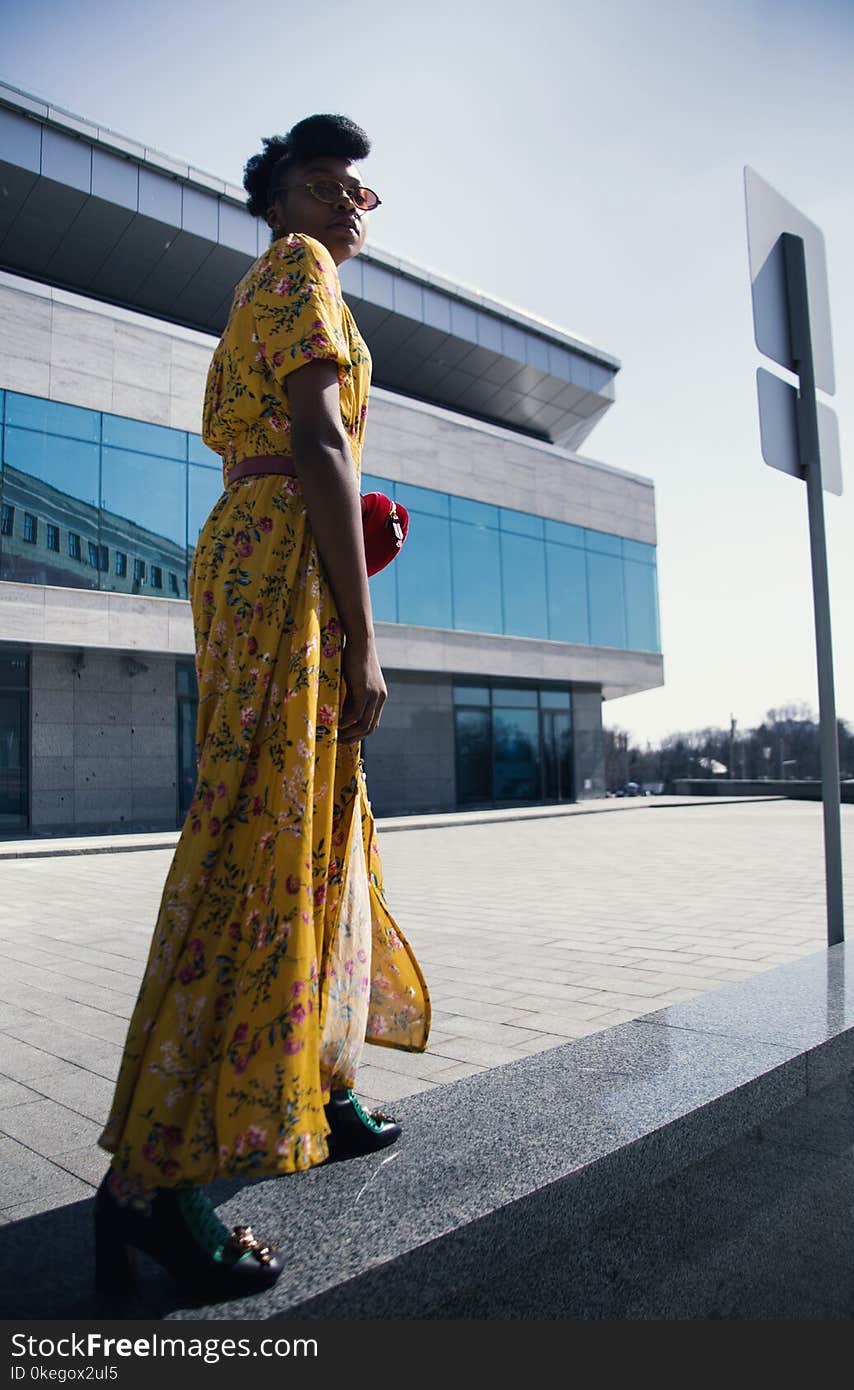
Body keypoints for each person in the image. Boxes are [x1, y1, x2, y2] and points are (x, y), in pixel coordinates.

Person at [94, 114, 431, 1299]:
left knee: (320, 817)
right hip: (280, 560)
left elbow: (311, 455)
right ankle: (150, 1178)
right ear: (278, 196)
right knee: (258, 835)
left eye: (360, 190)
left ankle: (322, 1083)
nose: (349, 201)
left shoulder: (288, 279)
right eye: (325, 181)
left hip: (273, 551)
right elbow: (323, 446)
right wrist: (367, 637)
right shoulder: (295, 272)